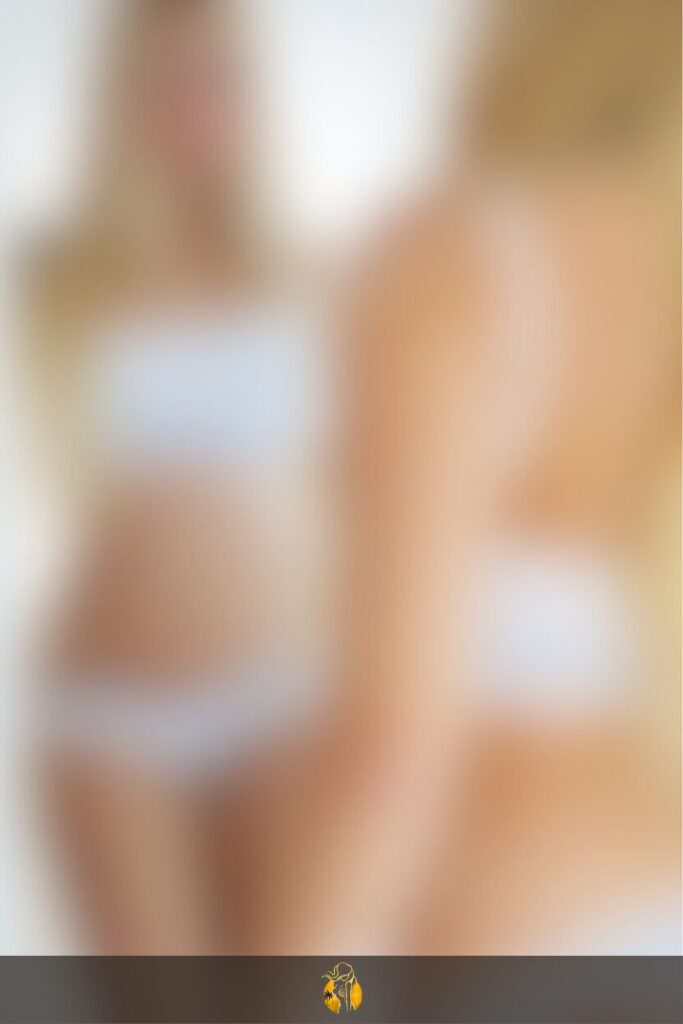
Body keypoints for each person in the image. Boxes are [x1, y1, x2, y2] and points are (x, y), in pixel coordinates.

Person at [230, 0, 681, 954]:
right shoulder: (655, 264)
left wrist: (315, 993)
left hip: (518, 948)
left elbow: (385, 756)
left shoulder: (453, 264)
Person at [28, 0, 329, 954]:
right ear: (123, 100)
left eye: (217, 77)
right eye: (168, 81)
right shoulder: (57, 277)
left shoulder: (307, 274)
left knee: (328, 990)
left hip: (278, 697)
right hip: (114, 720)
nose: (196, 105)